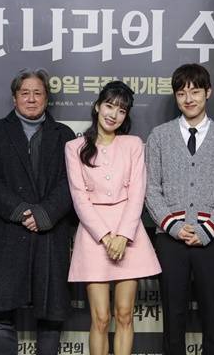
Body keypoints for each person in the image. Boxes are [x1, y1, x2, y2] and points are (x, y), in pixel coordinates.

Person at [145, 64, 214, 355]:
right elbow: (150, 188)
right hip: (170, 239)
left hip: (212, 238)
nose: (189, 99)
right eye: (181, 93)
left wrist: (207, 229)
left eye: (195, 91)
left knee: (213, 316)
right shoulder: (159, 136)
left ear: (208, 92)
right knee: (173, 316)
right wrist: (174, 226)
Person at [0, 68, 75, 355]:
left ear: (47, 98)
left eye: (37, 93)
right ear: (14, 98)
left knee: (50, 317)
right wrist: (21, 211)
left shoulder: (64, 135)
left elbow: (72, 182)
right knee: (1, 316)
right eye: (25, 93)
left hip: (50, 234)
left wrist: (45, 214)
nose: (31, 99)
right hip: (7, 233)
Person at [65, 81, 161, 355]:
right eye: (109, 106)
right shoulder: (75, 147)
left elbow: (137, 193)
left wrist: (122, 236)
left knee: (125, 314)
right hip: (94, 237)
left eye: (121, 110)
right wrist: (107, 238)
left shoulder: (133, 144)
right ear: (97, 106)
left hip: (128, 235)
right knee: (100, 318)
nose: (113, 114)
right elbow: (79, 197)